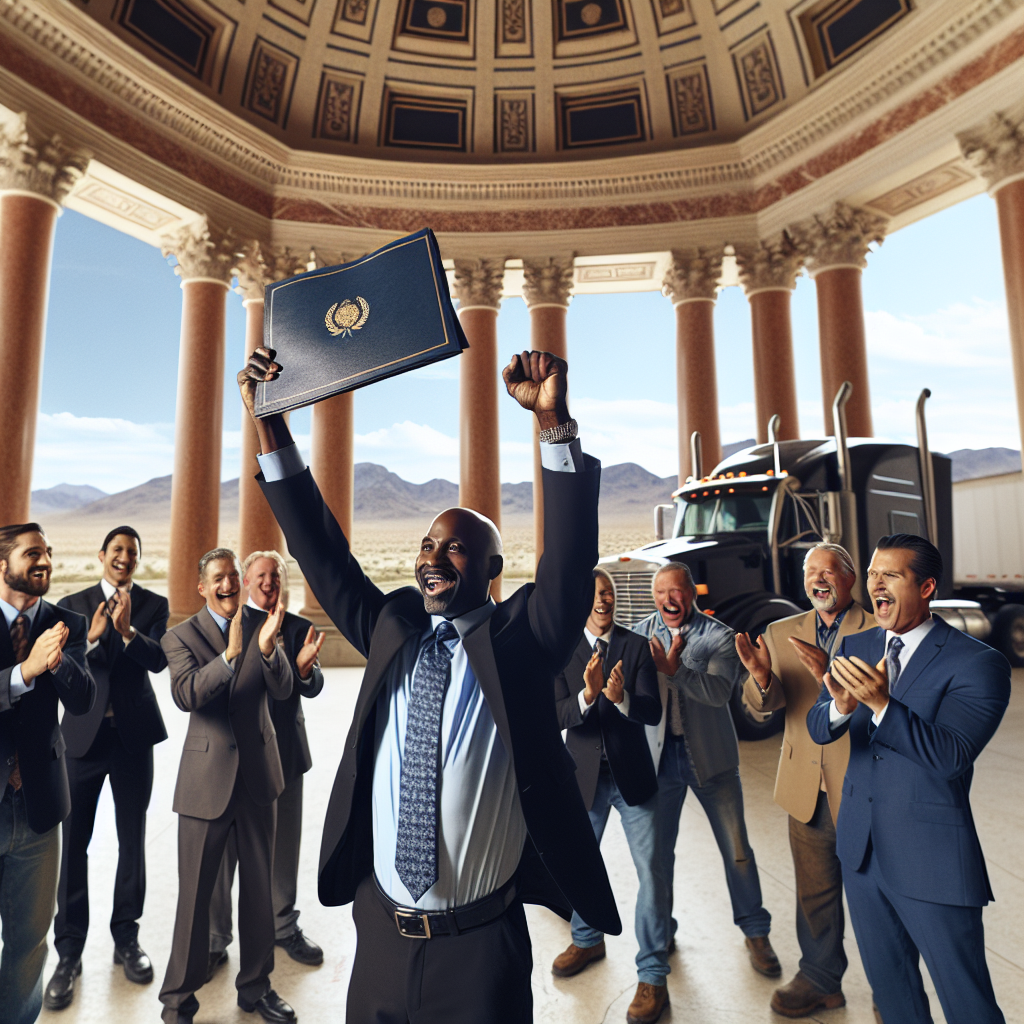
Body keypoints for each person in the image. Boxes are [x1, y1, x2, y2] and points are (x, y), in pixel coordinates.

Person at [237, 345, 620, 1023]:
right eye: (424, 546)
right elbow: (324, 556)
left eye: (453, 547)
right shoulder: (394, 627)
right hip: (381, 934)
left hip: (479, 951)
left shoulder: (521, 641)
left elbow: (567, 566)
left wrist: (553, 426)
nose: (431, 559)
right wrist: (271, 429)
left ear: (492, 567)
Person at [807, 534, 1009, 1024]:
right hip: (861, 852)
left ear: (927, 587)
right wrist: (840, 705)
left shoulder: (978, 663)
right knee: (893, 995)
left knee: (968, 1003)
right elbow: (818, 726)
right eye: (873, 573)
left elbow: (951, 757)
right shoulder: (857, 645)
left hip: (931, 860)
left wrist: (881, 705)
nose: (876, 583)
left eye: (891, 575)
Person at [631, 562, 778, 1023]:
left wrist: (673, 672)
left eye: (677, 591)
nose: (669, 599)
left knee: (737, 851)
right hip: (659, 764)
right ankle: (659, 941)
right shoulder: (639, 636)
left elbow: (717, 693)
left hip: (711, 762)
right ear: (655, 596)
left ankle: (755, 931)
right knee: (656, 858)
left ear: (690, 593)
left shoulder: (720, 637)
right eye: (662, 592)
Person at [158, 548, 296, 1024]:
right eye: (218, 578)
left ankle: (256, 988)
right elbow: (186, 694)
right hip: (205, 785)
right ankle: (178, 1002)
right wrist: (230, 657)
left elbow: (282, 690)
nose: (228, 585)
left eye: (233, 576)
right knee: (194, 899)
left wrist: (267, 649)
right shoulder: (179, 636)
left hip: (259, 778)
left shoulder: (262, 624)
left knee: (259, 895)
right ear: (202, 587)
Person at [737, 542, 874, 1018]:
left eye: (829, 570)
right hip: (806, 789)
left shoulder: (879, 630)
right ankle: (820, 979)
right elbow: (766, 706)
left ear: (851, 578)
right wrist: (759, 678)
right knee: (814, 894)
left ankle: (891, 989)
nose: (818, 578)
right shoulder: (780, 632)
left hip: (866, 789)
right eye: (810, 571)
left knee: (878, 898)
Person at [44, 526, 169, 1010]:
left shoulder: (154, 606)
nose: (124, 558)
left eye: (132, 552)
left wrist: (127, 633)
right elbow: (62, 668)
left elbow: (159, 662)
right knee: (74, 845)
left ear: (137, 560)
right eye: (116, 550)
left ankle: (127, 940)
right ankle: (69, 953)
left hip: (133, 740)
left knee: (131, 841)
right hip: (80, 741)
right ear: (101, 556)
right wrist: (93, 641)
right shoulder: (72, 605)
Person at [552, 568, 663, 1020]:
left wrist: (619, 699)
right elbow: (554, 713)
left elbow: (652, 711)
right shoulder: (560, 650)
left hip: (632, 779)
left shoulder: (635, 646)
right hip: (581, 779)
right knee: (580, 866)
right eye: (597, 594)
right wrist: (586, 695)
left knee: (653, 873)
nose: (604, 601)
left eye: (609, 594)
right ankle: (586, 940)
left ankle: (653, 975)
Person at [209, 550, 326, 977]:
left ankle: (283, 926)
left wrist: (305, 672)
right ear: (245, 579)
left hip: (285, 756)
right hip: (233, 756)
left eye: (274, 575)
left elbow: (312, 685)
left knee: (282, 848)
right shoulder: (230, 626)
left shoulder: (297, 628)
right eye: (260, 575)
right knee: (221, 853)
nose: (268, 582)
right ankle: (214, 939)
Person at [0, 523, 95, 1024]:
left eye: (49, 553)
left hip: (39, 810)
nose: (45, 561)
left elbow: (83, 702)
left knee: (29, 942)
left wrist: (55, 663)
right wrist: (24, 671)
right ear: (3, 565)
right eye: (32, 552)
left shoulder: (68, 623)